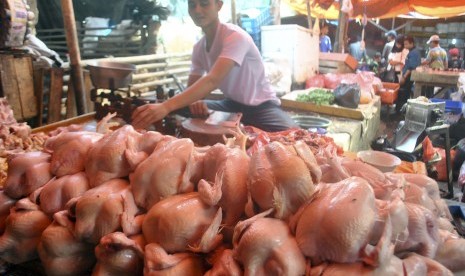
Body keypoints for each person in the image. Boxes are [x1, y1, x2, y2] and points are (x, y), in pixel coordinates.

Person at [132, 0, 298, 132]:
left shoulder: (235, 36)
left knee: (294, 135)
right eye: (192, 5)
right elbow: (191, 88)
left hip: (261, 107)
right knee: (181, 108)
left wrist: (165, 106)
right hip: (231, 104)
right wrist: (197, 101)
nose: (197, 10)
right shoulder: (199, 47)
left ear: (219, 5)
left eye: (204, 3)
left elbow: (213, 80)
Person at [396, 35, 421, 113]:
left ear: (412, 43)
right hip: (406, 76)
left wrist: (404, 77)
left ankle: (401, 112)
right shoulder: (412, 52)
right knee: (404, 94)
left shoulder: (414, 53)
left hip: (408, 77)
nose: (405, 46)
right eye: (404, 44)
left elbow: (411, 67)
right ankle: (401, 111)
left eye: (406, 44)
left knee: (403, 94)